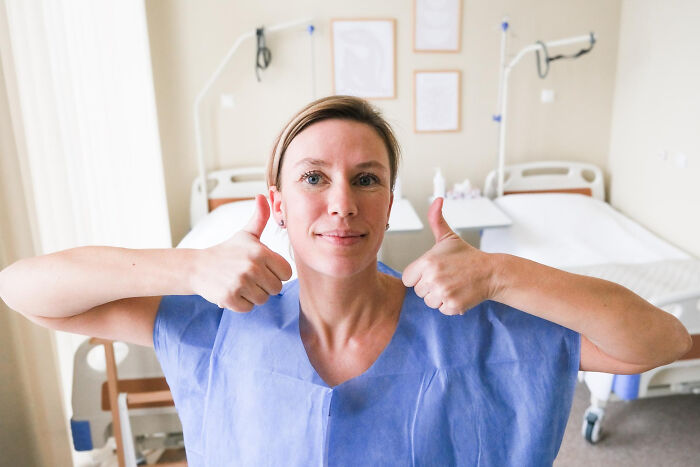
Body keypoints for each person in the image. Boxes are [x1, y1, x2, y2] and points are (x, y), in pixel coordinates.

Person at [0, 96, 691, 466]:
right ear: (275, 200)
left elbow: (657, 341)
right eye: (313, 178)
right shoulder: (215, 319)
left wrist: (502, 270)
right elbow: (22, 287)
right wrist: (188, 265)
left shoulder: (472, 323)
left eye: (367, 179)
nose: (341, 202)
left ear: (392, 204)